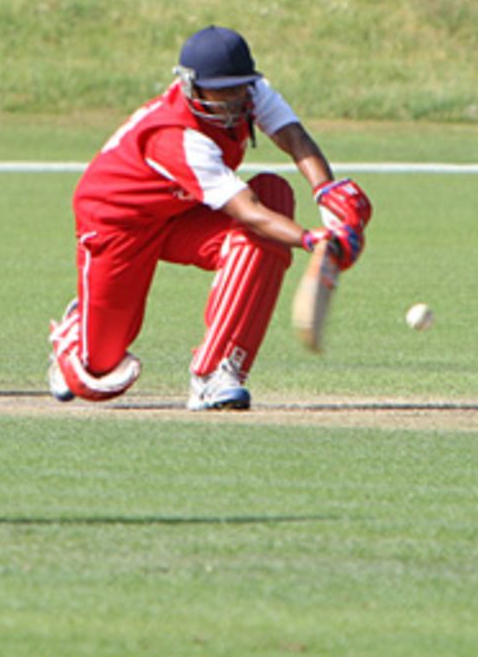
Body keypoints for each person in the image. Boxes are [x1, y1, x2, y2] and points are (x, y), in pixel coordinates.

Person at [47, 25, 372, 410]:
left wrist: (326, 192)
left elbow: (294, 137)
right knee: (98, 372)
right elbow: (247, 210)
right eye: (221, 90)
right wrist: (311, 239)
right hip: (119, 224)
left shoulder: (252, 93)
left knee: (273, 199)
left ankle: (216, 374)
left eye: (239, 87)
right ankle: (76, 331)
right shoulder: (175, 136)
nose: (233, 100)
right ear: (191, 86)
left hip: (183, 210)